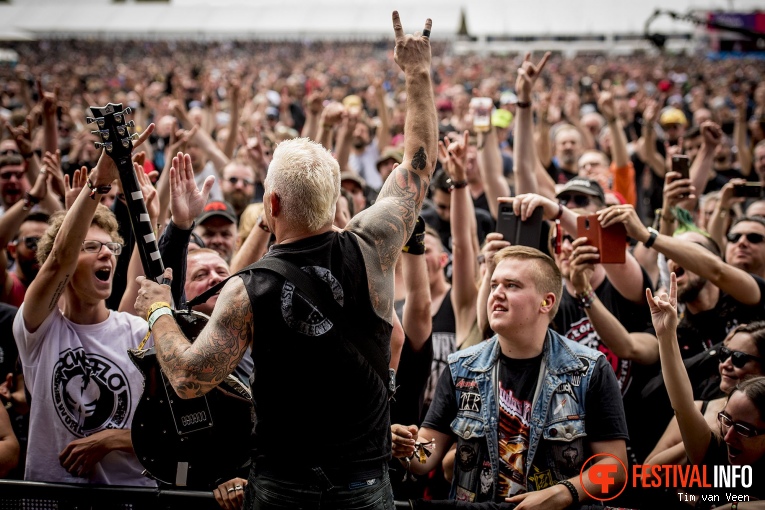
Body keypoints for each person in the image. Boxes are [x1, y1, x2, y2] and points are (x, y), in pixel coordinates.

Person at [133, 12, 437, 509]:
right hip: (365, 485)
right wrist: (417, 73)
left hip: (283, 489)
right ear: (336, 197)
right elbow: (419, 161)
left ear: (270, 205)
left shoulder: (246, 289)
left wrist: (160, 310)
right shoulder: (374, 243)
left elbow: (189, 379)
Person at [392, 245, 628, 507]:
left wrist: (561, 494)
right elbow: (424, 459)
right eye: (494, 285)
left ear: (546, 302)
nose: (497, 294)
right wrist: (406, 448)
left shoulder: (589, 369)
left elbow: (616, 469)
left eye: (512, 285)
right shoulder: (462, 367)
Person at [11, 125, 158, 485]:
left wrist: (113, 440)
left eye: (111, 247)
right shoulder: (37, 330)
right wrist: (98, 182)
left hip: (130, 500)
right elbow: (60, 257)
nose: (106, 252)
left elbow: (170, 433)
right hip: (52, 499)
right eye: (91, 247)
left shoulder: (139, 332)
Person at [646, 274, 765, 505]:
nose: (728, 436)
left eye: (743, 429)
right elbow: (682, 406)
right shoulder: (716, 449)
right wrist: (666, 335)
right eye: (726, 420)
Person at [646, 321, 765, 465]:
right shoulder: (701, 410)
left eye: (739, 358)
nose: (725, 364)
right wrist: (701, 435)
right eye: (724, 353)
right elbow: (647, 473)